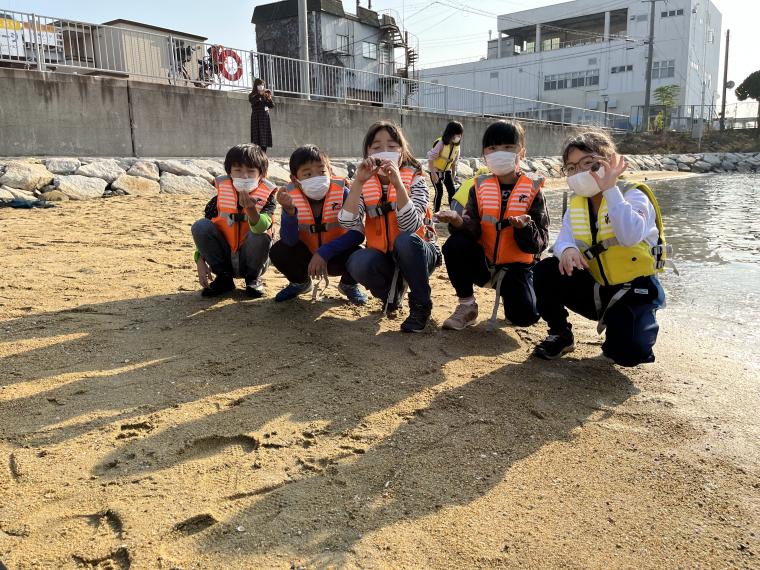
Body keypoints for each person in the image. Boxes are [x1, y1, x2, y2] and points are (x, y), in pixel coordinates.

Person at [532, 131, 670, 366]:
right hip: (597, 290)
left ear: (609, 161)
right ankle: (561, 333)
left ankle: (624, 326)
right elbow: (563, 239)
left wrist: (610, 189)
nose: (579, 173)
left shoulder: (633, 195)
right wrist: (567, 250)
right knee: (545, 269)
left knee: (627, 354)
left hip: (634, 291)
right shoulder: (576, 205)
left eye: (587, 163)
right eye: (572, 168)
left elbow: (630, 236)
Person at [436, 120, 549, 330]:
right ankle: (467, 305)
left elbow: (541, 243)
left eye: (508, 147)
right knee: (454, 244)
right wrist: (459, 221)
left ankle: (512, 295)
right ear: (484, 154)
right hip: (483, 263)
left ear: (521, 152)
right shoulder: (478, 187)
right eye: (493, 148)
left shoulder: (533, 190)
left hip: (517, 267)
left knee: (526, 317)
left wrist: (524, 229)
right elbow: (474, 228)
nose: (500, 153)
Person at [340, 121, 441, 333]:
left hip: (419, 253)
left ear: (402, 151)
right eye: (376, 147)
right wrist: (358, 183)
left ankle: (421, 305)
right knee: (357, 261)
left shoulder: (416, 179)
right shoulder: (363, 182)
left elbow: (411, 225)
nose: (384, 152)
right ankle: (392, 295)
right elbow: (347, 222)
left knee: (405, 240)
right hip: (384, 258)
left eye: (392, 146)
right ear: (367, 152)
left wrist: (398, 185)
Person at [269, 144, 368, 305]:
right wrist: (289, 212)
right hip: (306, 258)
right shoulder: (290, 197)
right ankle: (300, 283)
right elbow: (289, 241)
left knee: (362, 255)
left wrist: (325, 252)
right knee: (279, 251)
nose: (316, 177)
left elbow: (357, 233)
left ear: (329, 170)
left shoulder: (343, 193)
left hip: (337, 256)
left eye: (322, 171)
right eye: (307, 174)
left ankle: (349, 285)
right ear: (295, 179)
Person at [191, 143, 276, 297]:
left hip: (252, 259)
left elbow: (261, 228)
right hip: (225, 257)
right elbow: (205, 232)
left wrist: (251, 210)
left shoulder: (267, 198)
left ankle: (253, 280)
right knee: (200, 226)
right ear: (229, 172)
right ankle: (224, 279)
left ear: (261, 174)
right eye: (238, 170)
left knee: (261, 233)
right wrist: (199, 260)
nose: (244, 176)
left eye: (251, 171)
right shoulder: (218, 198)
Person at [427, 121, 463, 212]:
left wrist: (454, 176)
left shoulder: (457, 147)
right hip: (436, 170)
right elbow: (430, 157)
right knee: (439, 192)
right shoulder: (441, 143)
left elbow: (454, 162)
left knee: (452, 191)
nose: (458, 137)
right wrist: (433, 173)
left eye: (460, 135)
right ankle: (436, 212)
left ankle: (452, 211)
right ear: (450, 133)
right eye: (457, 134)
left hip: (447, 171)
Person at [249, 78, 274, 152]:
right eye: (259, 85)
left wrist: (269, 98)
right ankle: (257, 156)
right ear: (256, 86)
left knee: (264, 139)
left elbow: (271, 106)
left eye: (262, 85)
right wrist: (259, 95)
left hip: (264, 119)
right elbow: (254, 102)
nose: (261, 86)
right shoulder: (252, 95)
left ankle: (264, 155)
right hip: (256, 118)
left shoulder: (265, 95)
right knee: (256, 139)